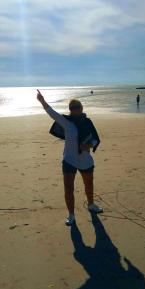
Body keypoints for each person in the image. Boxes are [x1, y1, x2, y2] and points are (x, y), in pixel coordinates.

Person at [36, 89, 103, 226]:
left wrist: (89, 145)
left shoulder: (88, 122)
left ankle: (91, 204)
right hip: (69, 160)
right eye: (72, 108)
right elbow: (52, 113)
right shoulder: (66, 122)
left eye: (77, 107)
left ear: (81, 108)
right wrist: (42, 101)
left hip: (85, 160)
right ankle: (71, 215)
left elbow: (96, 139)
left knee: (89, 184)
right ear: (70, 110)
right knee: (68, 188)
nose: (75, 109)